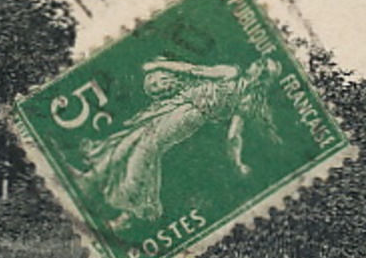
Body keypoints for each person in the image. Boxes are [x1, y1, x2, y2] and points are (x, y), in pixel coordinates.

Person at [73, 57, 282, 231]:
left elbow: (233, 136)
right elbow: (194, 70)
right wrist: (160, 66)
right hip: (177, 103)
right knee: (133, 136)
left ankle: (128, 212)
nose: (253, 64)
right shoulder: (231, 73)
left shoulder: (241, 95)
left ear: (260, 74)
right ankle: (92, 177)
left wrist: (237, 163)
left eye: (259, 65)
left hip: (188, 116)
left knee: (147, 148)